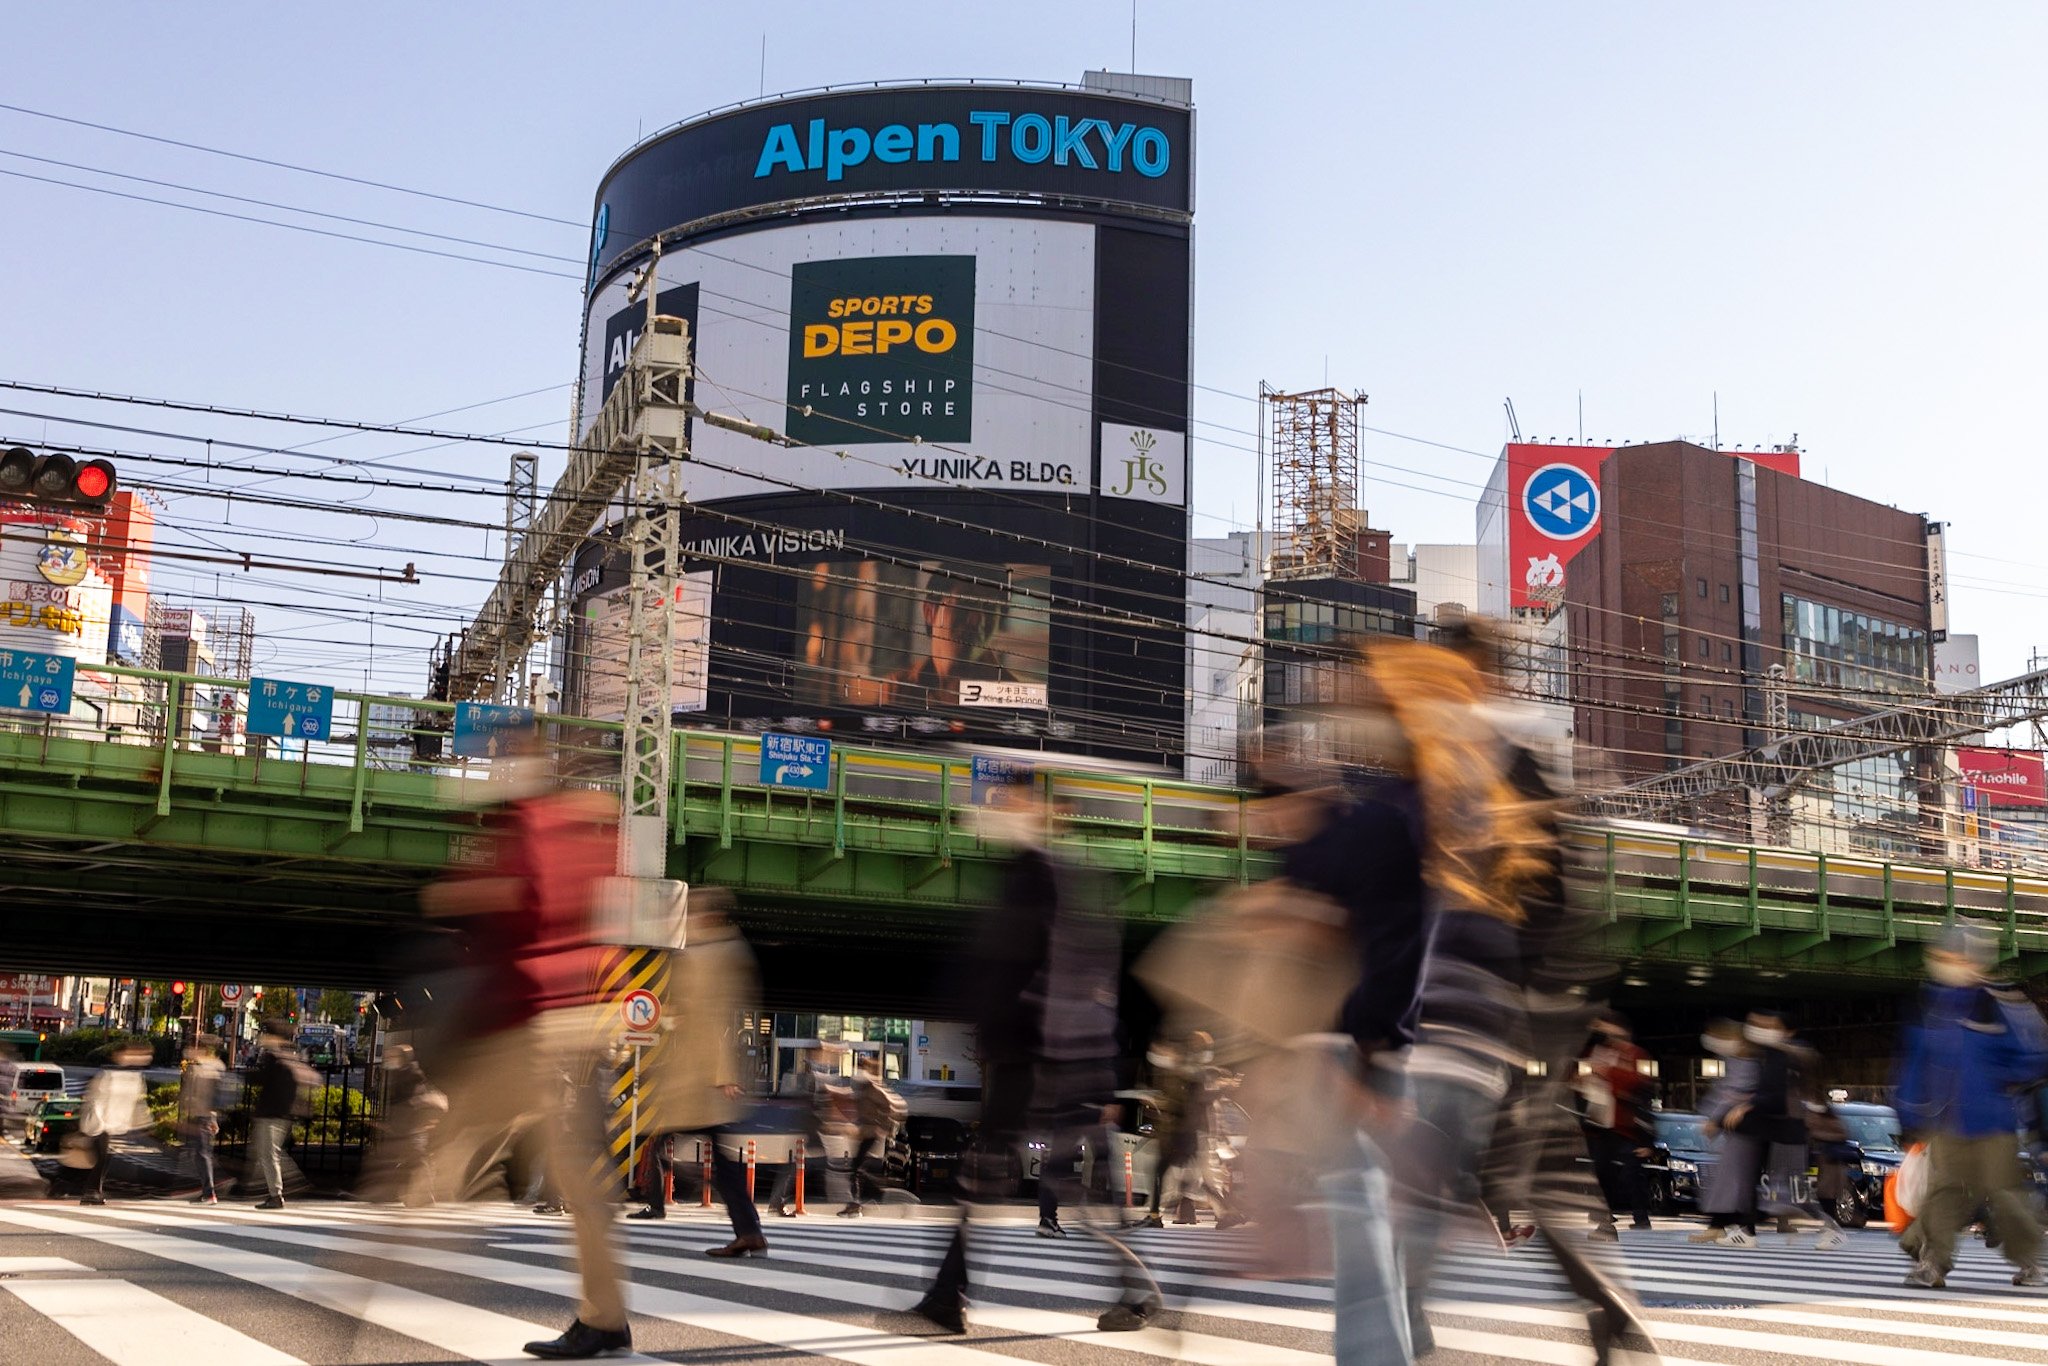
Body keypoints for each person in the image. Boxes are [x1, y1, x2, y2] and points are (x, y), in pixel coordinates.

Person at [911, 785, 1160, 1336]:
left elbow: (1030, 972)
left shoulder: (1043, 876)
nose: (1002, 811)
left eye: (1014, 802)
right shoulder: (1048, 875)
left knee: (1004, 1177)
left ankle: (951, 1294)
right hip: (1052, 1053)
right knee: (1012, 1178)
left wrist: (1007, 1034)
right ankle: (948, 1293)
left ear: (1046, 813)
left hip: (1043, 1054)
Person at [419, 735, 627, 1359]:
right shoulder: (599, 833)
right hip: (574, 1013)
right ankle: (605, 1316)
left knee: (437, 1143)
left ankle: (360, 1284)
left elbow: (520, 899)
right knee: (574, 1173)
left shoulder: (536, 823)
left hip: (528, 1019)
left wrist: (457, 895)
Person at [1895, 923, 2048, 1289]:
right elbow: (1914, 1065)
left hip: (1993, 1122)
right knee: (1945, 1193)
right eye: (1943, 957)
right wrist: (1909, 1117)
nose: (1947, 964)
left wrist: (2003, 1076)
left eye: (1955, 957)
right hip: (1947, 1121)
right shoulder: (1932, 1007)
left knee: (2004, 1194)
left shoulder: (1998, 1003)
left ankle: (2029, 1261)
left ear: (1974, 961)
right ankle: (1933, 1264)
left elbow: (2033, 1055)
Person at [632, 891, 767, 1259]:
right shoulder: (716, 949)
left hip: (703, 1075)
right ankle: (748, 1229)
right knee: (714, 1156)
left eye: (698, 910)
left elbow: (720, 1016)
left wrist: (722, 1073)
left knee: (673, 1143)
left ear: (711, 914)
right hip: (697, 1073)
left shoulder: (716, 953)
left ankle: (744, 1228)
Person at [1580, 1013, 1656, 1237]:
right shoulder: (1599, 1053)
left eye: (1606, 1028)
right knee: (1602, 1171)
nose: (1603, 1033)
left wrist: (1607, 1073)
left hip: (1626, 1126)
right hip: (1602, 1124)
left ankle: (1641, 1216)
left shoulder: (1635, 1054)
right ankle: (1605, 1218)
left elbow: (1639, 1087)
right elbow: (1581, 1077)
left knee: (1631, 1173)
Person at [1691, 1018, 1762, 1245]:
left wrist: (1714, 1118)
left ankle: (1736, 1226)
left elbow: (1731, 1094)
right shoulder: (1736, 1060)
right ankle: (1720, 1223)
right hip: (1736, 1128)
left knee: (1735, 1179)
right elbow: (1725, 1092)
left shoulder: (1747, 1062)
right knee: (1730, 1178)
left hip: (1743, 1128)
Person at [78, 1041, 151, 1206]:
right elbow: (96, 1098)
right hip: (101, 1124)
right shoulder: (108, 1074)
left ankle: (94, 1191)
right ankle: (91, 1191)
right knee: (102, 1158)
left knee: (106, 1159)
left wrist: (142, 1122)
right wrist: (99, 1122)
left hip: (115, 1125)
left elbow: (137, 1103)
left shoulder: (135, 1077)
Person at [247, 1020, 306, 1211]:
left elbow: (264, 1080)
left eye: (264, 1034)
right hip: (280, 1114)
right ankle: (275, 1189)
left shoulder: (274, 1058)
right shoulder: (289, 1057)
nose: (261, 1038)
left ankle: (277, 1193)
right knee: (268, 1153)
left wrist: (248, 1075)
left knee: (269, 1154)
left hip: (271, 1113)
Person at [837, 1055, 904, 1217]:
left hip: (871, 1133)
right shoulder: (864, 1087)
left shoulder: (874, 1089)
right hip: (864, 1133)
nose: (860, 1070)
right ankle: (875, 1194)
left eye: (863, 1067)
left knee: (855, 1169)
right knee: (857, 1168)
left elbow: (895, 1107)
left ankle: (858, 1202)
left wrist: (882, 1127)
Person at [769, 1048, 832, 1216]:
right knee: (801, 1165)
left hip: (806, 1126)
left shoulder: (813, 1075)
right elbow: (812, 1102)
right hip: (807, 1126)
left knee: (796, 1166)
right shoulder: (813, 1076)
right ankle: (778, 1202)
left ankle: (777, 1202)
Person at [180, 1035, 226, 1205]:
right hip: (201, 1114)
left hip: (203, 1115)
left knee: (202, 1153)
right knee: (200, 1152)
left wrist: (212, 1117)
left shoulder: (206, 1068)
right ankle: (207, 1190)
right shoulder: (210, 1067)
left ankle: (209, 1192)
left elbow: (213, 1096)